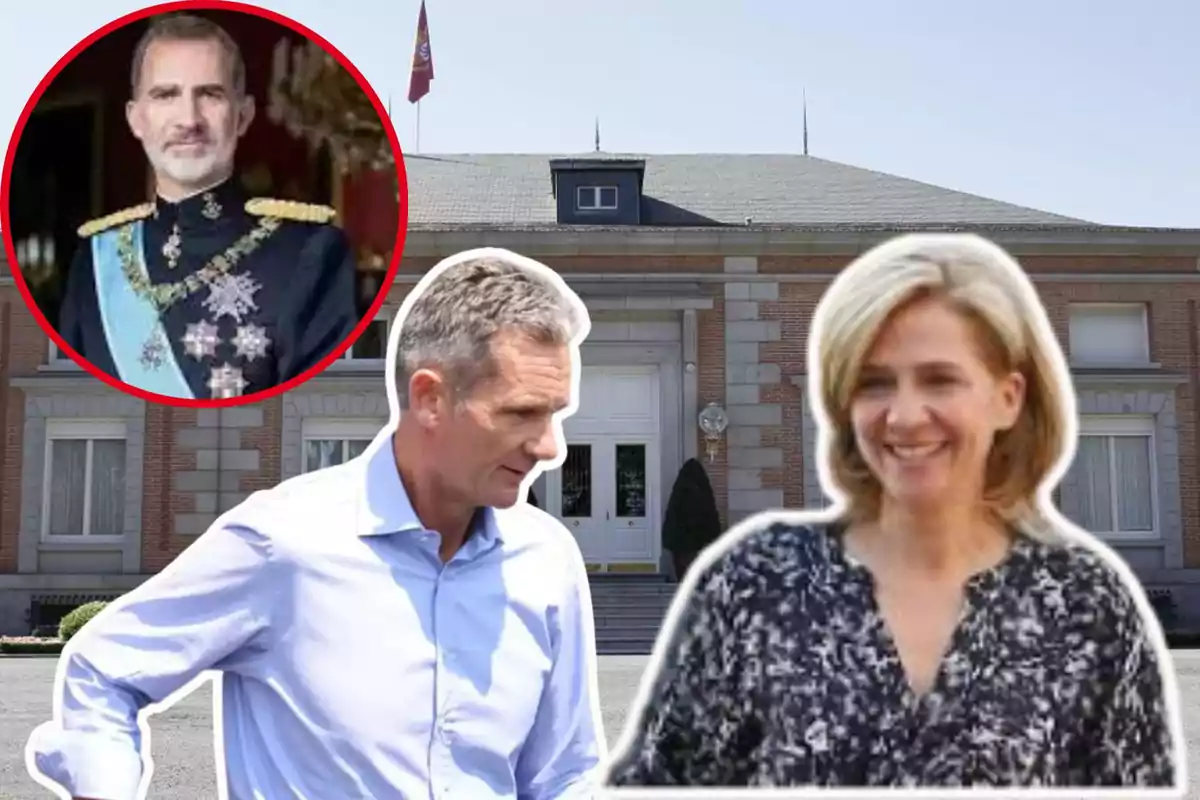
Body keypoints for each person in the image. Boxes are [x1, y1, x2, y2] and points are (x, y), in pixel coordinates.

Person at [604, 233, 1183, 789]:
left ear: (1009, 398)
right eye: (874, 383)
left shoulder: (1085, 602)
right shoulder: (756, 584)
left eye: (940, 379)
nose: (904, 417)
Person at [27, 250, 606, 799]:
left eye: (555, 414)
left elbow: (563, 774)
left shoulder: (547, 561)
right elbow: (103, 669)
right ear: (429, 399)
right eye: (521, 413)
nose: (551, 447)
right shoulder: (283, 544)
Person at [56, 12, 358, 400]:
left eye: (210, 94)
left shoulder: (310, 252)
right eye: (166, 95)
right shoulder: (95, 260)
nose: (189, 120)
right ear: (136, 119)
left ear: (243, 116)